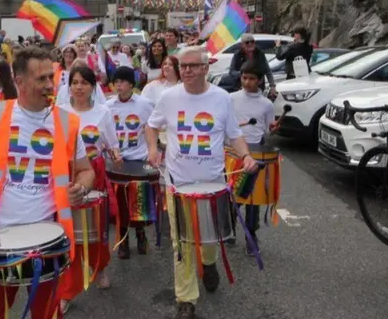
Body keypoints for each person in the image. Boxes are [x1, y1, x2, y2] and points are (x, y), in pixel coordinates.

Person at [0, 46, 95, 319]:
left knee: (47, 314)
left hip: (49, 239)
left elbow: (86, 171)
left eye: (50, 77)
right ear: (19, 81)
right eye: (41, 79)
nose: (49, 85)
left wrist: (82, 188)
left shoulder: (67, 123)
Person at [144, 46, 257, 319]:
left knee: (208, 239)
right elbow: (151, 125)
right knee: (181, 243)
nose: (187, 70)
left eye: (193, 66)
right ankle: (186, 299)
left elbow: (234, 134)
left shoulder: (221, 99)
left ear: (206, 68)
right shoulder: (169, 97)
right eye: (183, 66)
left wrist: (246, 157)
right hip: (178, 184)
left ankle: (209, 263)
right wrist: (152, 148)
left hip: (212, 185)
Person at [57, 66, 121, 314]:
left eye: (84, 82)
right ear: (69, 86)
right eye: (75, 82)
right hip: (68, 175)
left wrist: (115, 153)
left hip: (95, 173)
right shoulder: (60, 113)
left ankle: (100, 266)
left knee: (96, 228)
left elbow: (111, 144)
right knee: (69, 232)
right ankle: (67, 291)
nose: (79, 87)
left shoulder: (102, 112)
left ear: (93, 86)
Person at [105, 66, 155, 259]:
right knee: (121, 204)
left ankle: (141, 235)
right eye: (116, 81)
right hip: (117, 160)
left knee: (138, 201)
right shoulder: (108, 106)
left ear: (131, 84)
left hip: (138, 158)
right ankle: (123, 239)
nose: (118, 85)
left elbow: (152, 128)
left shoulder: (144, 104)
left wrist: (152, 150)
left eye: (122, 81)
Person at [229, 61, 279, 255]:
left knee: (253, 198)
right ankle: (229, 227)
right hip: (233, 152)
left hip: (256, 152)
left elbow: (268, 128)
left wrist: (273, 128)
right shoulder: (230, 98)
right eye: (244, 77)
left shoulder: (266, 104)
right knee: (233, 195)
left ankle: (251, 235)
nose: (247, 82)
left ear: (260, 81)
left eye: (251, 78)